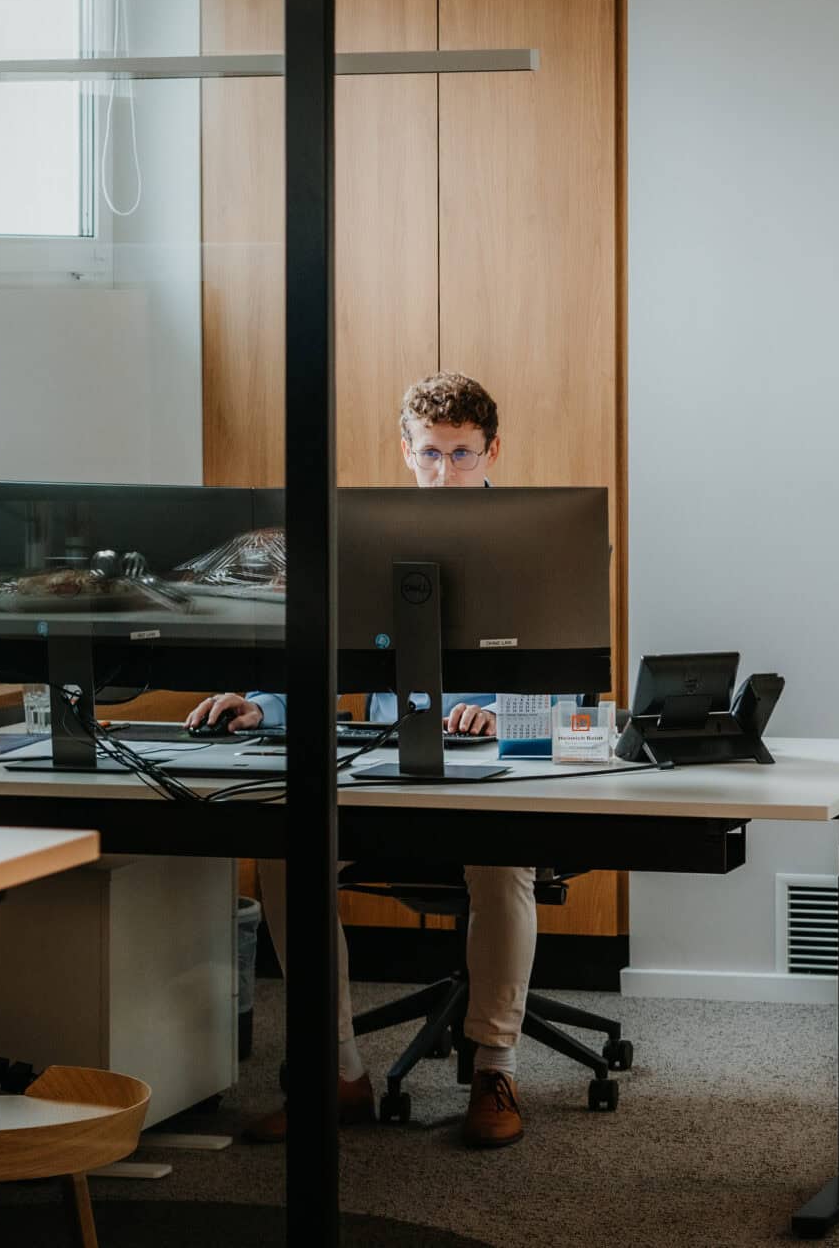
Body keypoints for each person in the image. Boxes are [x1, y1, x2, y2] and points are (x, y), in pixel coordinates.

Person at [188, 370, 537, 1149]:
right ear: (405, 450)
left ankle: (494, 1066)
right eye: (429, 454)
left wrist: (502, 714)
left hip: (493, 770)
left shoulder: (530, 538)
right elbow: (317, 655)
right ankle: (338, 1074)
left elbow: (569, 682)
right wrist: (262, 703)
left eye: (460, 454)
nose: (443, 471)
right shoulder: (367, 537)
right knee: (287, 853)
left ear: (492, 451)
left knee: (504, 857)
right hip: (388, 768)